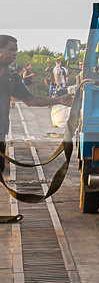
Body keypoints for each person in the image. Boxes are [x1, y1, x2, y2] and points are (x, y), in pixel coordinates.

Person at [0, 35, 73, 184]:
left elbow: (30, 99)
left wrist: (59, 100)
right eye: (11, 50)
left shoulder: (12, 76)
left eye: (16, 50)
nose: (15, 53)